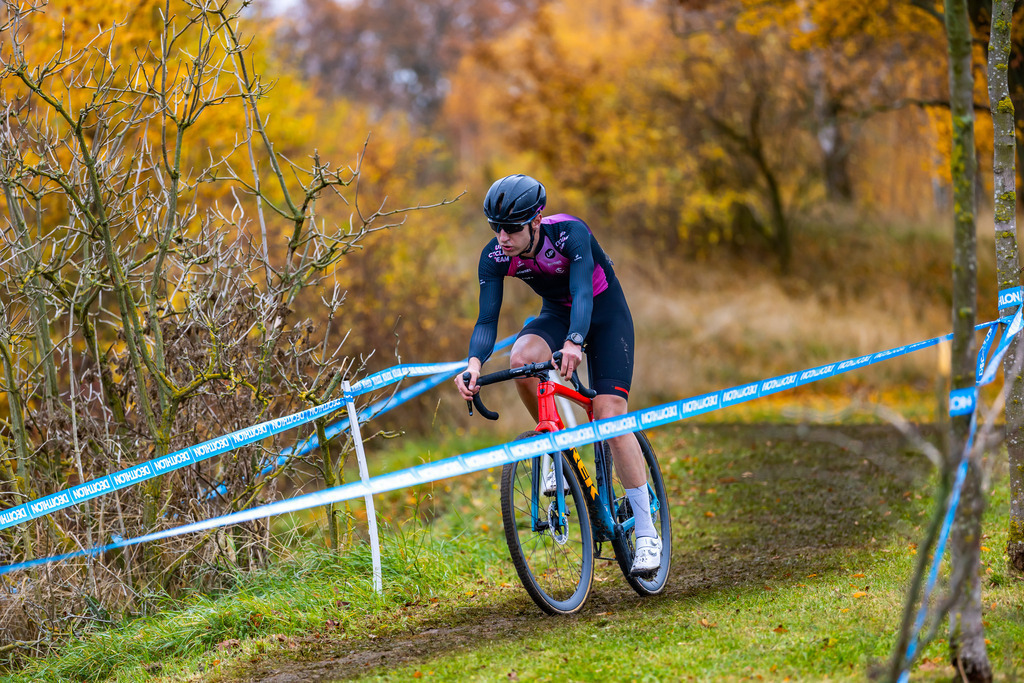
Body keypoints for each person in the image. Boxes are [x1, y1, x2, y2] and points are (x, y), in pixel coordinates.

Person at [455, 173, 661, 577]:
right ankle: (556, 446)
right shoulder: (496, 255)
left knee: (608, 414)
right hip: (557, 313)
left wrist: (576, 341)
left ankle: (646, 533)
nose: (502, 236)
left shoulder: (569, 233)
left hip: (603, 314)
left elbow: (583, 292)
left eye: (512, 228)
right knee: (522, 356)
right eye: (495, 227)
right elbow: (487, 318)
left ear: (536, 220)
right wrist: (474, 364)